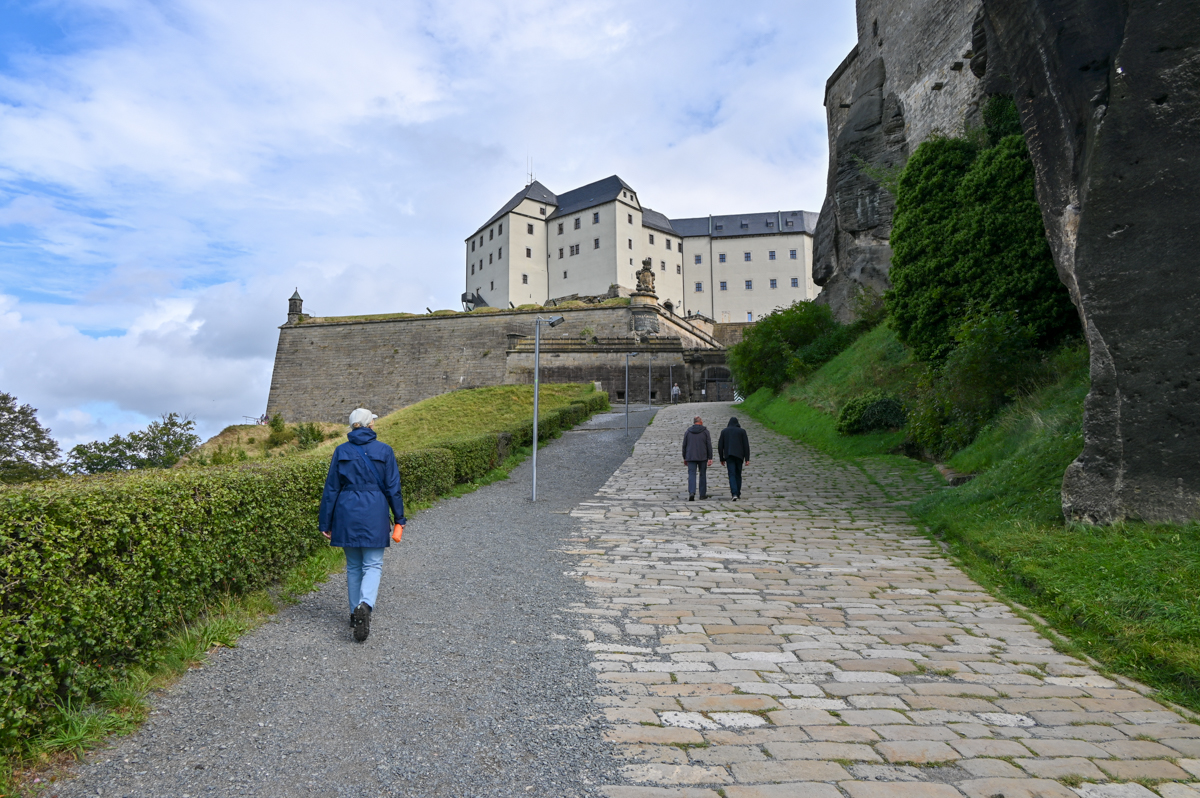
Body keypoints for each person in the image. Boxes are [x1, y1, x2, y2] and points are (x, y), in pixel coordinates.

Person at [318, 408, 406, 642]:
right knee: (373, 564)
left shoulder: (341, 450)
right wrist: (399, 518)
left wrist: (325, 521)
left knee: (354, 566)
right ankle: (365, 606)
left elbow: (331, 489)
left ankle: (353, 612)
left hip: (346, 511)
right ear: (370, 425)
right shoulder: (384, 450)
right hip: (374, 510)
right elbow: (393, 489)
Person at [718, 417, 751, 501]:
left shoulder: (724, 431)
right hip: (739, 456)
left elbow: (720, 446)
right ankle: (738, 493)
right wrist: (747, 458)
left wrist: (722, 458)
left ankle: (734, 493)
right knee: (738, 474)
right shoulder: (742, 431)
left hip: (729, 456)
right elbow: (746, 445)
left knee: (731, 474)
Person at [681, 415, 713, 501]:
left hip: (690, 456)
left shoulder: (688, 431)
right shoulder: (705, 432)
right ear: (701, 422)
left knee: (692, 474)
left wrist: (685, 457)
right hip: (703, 456)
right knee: (702, 474)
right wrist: (710, 457)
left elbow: (684, 445)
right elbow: (708, 445)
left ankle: (692, 492)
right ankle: (702, 494)